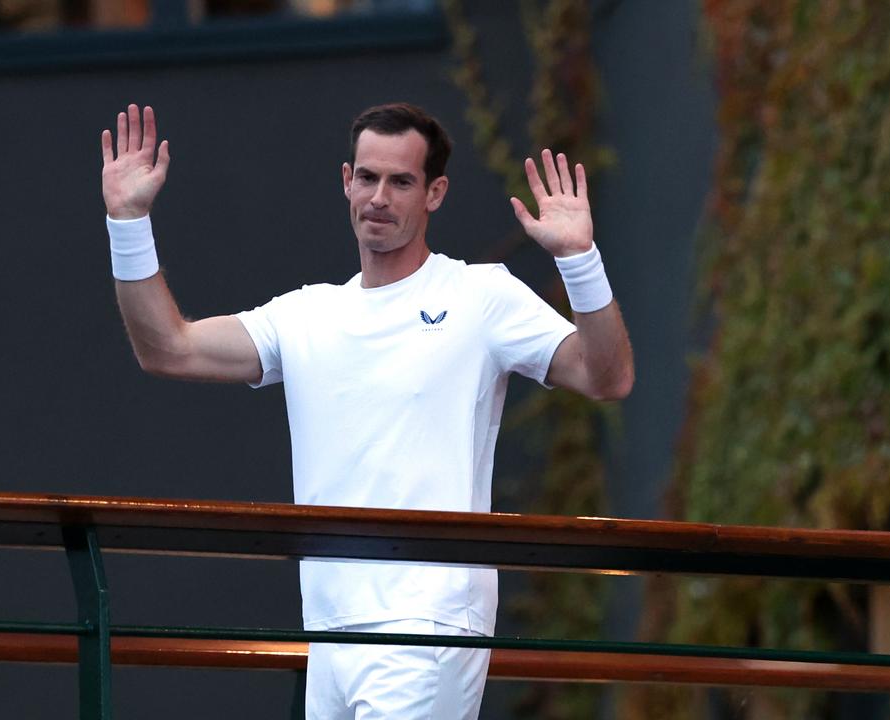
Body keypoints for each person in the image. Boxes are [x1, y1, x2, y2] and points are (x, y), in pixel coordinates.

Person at [100, 102, 633, 719]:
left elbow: (608, 376)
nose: (379, 197)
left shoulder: (480, 295)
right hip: (328, 627)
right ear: (346, 180)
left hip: (428, 620)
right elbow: (168, 348)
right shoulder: (306, 313)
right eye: (368, 178)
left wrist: (579, 259)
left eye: (401, 181)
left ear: (435, 193)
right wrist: (128, 221)